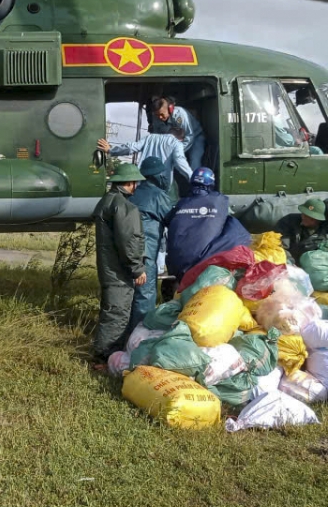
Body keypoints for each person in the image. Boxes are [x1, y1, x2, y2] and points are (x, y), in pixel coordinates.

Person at [91, 162, 147, 365]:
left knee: (111, 310)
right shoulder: (124, 207)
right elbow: (129, 240)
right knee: (117, 313)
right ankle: (104, 357)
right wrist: (137, 268)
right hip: (118, 271)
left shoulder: (107, 200)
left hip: (108, 267)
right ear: (131, 183)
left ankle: (104, 354)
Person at [163, 167, 251, 278]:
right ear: (211, 184)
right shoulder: (219, 200)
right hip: (203, 261)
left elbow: (169, 221)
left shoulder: (181, 203)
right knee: (235, 226)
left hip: (178, 265)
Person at [127, 156, 174, 329]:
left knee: (128, 295)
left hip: (127, 251)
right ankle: (140, 335)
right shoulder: (158, 196)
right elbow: (173, 221)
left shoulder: (132, 195)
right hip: (145, 253)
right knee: (145, 295)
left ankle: (124, 335)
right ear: (157, 175)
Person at [97, 131, 192, 188]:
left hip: (142, 181)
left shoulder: (150, 138)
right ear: (181, 139)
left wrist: (111, 150)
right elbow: (180, 162)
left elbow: (131, 147)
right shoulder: (176, 143)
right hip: (161, 185)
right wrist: (193, 178)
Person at [277, 197, 328, 265]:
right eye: (304, 214)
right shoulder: (288, 222)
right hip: (288, 262)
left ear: (318, 220)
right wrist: (289, 262)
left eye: (310, 217)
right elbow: (281, 246)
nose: (304, 218)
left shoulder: (326, 234)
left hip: (311, 265)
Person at [148, 97, 206, 172]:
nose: (160, 117)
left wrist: (176, 152)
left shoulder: (179, 115)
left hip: (195, 138)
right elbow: (157, 136)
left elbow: (189, 136)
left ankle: (196, 179)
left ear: (170, 109)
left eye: (162, 114)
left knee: (194, 161)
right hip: (175, 143)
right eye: (157, 115)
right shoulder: (156, 117)